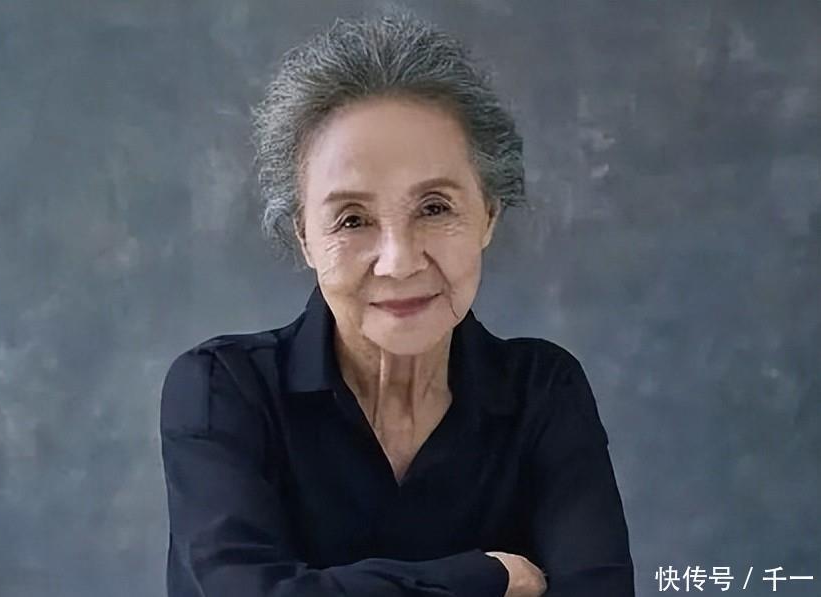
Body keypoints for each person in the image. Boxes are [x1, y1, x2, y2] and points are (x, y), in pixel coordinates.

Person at [160, 9, 634, 597]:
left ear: (488, 215)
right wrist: (486, 575)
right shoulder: (222, 389)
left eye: (434, 208)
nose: (399, 261)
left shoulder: (543, 390)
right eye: (352, 219)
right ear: (305, 238)